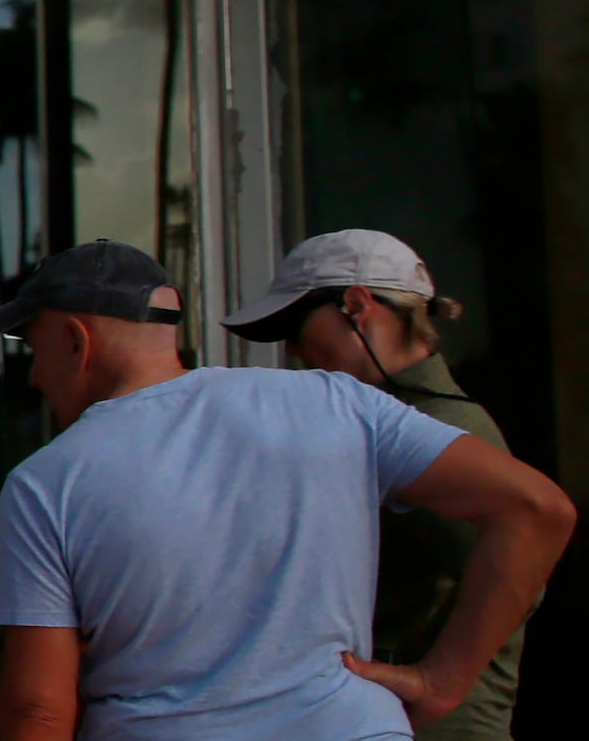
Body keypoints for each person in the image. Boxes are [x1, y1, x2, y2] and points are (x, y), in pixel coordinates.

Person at [0, 238, 574, 740]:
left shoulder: (43, 482)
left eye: (34, 345)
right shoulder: (340, 403)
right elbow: (536, 508)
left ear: (76, 339)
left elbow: (39, 711)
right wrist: (442, 680)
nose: (34, 373)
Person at [221, 228, 534, 740]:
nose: (294, 349)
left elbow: (528, 550)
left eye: (296, 326)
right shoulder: (384, 420)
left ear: (356, 305)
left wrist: (439, 682)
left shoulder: (441, 429)